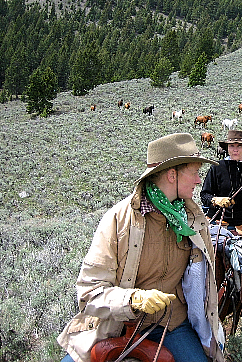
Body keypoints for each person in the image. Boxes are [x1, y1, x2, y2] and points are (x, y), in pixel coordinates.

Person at [58, 133, 225, 362]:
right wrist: (133, 300)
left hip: (172, 324)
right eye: (194, 173)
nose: (198, 180)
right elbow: (89, 292)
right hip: (119, 325)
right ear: (172, 175)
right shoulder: (118, 220)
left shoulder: (194, 220)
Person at [200, 130, 242, 339]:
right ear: (226, 148)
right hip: (216, 222)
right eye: (231, 146)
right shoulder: (216, 168)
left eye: (239, 146)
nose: (235, 149)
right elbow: (204, 194)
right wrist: (215, 200)